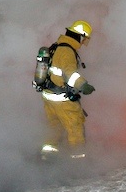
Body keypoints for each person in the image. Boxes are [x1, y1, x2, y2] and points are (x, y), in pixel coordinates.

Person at [39, 20, 96, 160]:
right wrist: (83, 85)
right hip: (62, 99)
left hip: (49, 96)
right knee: (75, 126)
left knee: (54, 127)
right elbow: (70, 74)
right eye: (84, 39)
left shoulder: (57, 46)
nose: (83, 43)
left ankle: (48, 157)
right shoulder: (67, 51)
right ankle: (78, 160)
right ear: (80, 36)